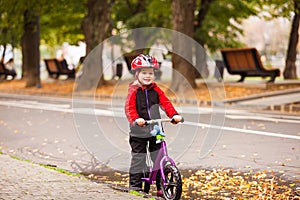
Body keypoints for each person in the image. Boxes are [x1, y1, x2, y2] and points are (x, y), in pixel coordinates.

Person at [124, 54, 183, 197]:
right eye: (144, 73)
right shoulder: (134, 91)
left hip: (156, 128)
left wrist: (174, 115)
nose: (148, 76)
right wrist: (136, 119)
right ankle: (135, 185)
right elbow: (129, 108)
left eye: (150, 73)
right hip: (139, 130)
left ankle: (161, 186)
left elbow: (165, 103)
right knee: (139, 157)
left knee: (159, 155)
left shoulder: (156, 90)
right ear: (137, 74)